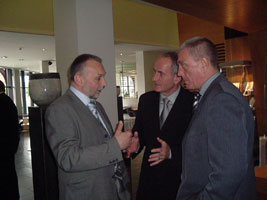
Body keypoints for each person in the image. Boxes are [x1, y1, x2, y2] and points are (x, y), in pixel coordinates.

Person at [176, 37, 257, 200]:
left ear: (204, 63)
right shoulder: (213, 94)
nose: (179, 72)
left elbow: (229, 172)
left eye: (183, 65)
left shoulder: (221, 100)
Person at [45, 54, 132, 200]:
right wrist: (115, 146)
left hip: (114, 189)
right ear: (79, 79)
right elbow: (68, 158)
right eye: (98, 78)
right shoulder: (59, 109)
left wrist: (124, 147)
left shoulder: (98, 106)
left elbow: (101, 145)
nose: (104, 83)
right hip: (87, 193)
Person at [127, 52, 194, 200]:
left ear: (177, 78)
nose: (154, 78)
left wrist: (171, 153)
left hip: (178, 182)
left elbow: (199, 148)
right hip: (149, 182)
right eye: (154, 72)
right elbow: (140, 134)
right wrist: (134, 145)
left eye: (160, 74)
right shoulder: (146, 100)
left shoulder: (193, 104)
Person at [0, 80, 20, 199]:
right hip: (9, 145)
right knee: (9, 173)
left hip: (3, 147)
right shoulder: (8, 101)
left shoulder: (1, 103)